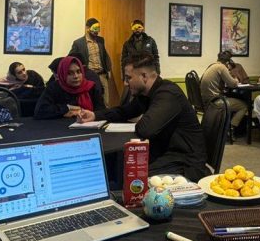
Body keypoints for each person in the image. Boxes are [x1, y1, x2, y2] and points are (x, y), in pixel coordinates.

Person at [79, 54, 207, 180]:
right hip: (166, 152)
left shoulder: (168, 94)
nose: (125, 83)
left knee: (131, 174)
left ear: (144, 76)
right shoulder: (146, 95)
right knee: (120, 164)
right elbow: (124, 111)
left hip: (186, 162)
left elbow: (146, 129)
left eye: (128, 78)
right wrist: (94, 115)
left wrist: (142, 119)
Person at [35, 56, 105, 119]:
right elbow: (40, 111)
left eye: (78, 71)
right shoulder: (54, 88)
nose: (76, 76)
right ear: (62, 74)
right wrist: (68, 108)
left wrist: (89, 114)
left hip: (88, 126)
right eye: (69, 73)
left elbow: (101, 112)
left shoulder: (91, 87)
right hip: (60, 127)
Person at [69, 18, 113, 105]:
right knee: (91, 100)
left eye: (98, 29)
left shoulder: (101, 40)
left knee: (106, 101)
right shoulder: (78, 43)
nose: (97, 31)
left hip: (102, 75)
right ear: (87, 28)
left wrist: (108, 69)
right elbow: (71, 58)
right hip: (89, 75)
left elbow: (104, 55)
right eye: (95, 29)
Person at [200, 50, 247, 129]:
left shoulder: (212, 65)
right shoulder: (221, 67)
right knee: (244, 106)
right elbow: (233, 84)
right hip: (215, 101)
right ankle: (231, 128)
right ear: (228, 62)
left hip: (206, 100)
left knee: (232, 100)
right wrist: (236, 79)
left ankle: (226, 127)